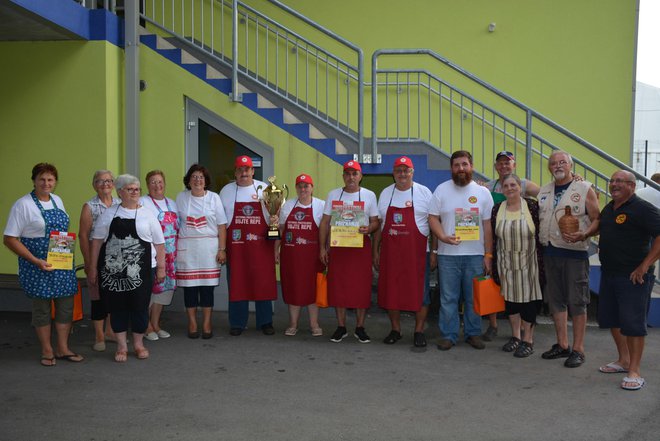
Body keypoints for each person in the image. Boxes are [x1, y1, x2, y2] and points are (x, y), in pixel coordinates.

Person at [570, 170, 660, 390]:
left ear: (632, 185)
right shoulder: (611, 207)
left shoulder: (643, 209)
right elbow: (599, 223)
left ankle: (634, 371)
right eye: (612, 181)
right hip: (609, 273)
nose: (614, 184)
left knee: (633, 325)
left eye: (620, 181)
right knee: (613, 321)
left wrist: (644, 265)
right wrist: (585, 235)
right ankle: (623, 360)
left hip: (634, 276)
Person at [3, 163, 83, 366]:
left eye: (50, 179)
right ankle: (47, 350)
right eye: (42, 179)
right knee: (42, 308)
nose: (46, 183)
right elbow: (10, 239)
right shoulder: (23, 205)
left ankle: (63, 348)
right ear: (34, 181)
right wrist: (35, 260)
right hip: (36, 264)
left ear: (55, 182)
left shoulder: (57, 200)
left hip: (61, 261)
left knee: (65, 306)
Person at [87, 174, 165, 362]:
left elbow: (160, 243)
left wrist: (161, 268)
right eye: (130, 189)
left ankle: (138, 344)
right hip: (113, 272)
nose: (134, 192)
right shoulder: (109, 213)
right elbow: (97, 242)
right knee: (117, 307)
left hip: (143, 270)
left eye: (136, 189)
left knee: (139, 307)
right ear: (120, 192)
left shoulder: (148, 214)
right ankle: (122, 346)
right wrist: (93, 267)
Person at [537, 150, 600, 368]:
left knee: (577, 302)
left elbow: (596, 219)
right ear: (549, 167)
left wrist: (585, 234)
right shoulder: (544, 190)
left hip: (575, 255)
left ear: (571, 165)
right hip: (550, 254)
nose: (557, 165)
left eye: (562, 162)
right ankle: (562, 344)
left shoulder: (584, 188)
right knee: (556, 301)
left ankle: (578, 349)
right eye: (553, 163)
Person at [429, 150, 494, 351]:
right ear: (451, 168)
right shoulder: (441, 190)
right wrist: (442, 237)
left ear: (471, 166)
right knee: (448, 297)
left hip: (474, 255)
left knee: (472, 296)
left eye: (464, 164)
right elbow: (433, 218)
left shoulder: (483, 193)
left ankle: (473, 333)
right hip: (448, 255)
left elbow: (488, 226)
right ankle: (449, 335)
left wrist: (488, 254)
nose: (461, 169)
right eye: (456, 165)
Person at [480, 150, 540, 342]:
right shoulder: (489, 187)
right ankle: (497, 327)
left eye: (508, 163)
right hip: (503, 253)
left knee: (527, 297)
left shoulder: (526, 187)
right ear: (496, 166)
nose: (504, 166)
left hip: (527, 258)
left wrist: (575, 180)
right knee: (506, 295)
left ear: (514, 165)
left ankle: (526, 334)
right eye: (501, 163)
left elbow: (547, 194)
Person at [373, 156, 433, 348]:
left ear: (412, 172)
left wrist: (435, 252)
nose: (402, 174)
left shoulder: (424, 193)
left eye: (406, 170)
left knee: (421, 294)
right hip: (391, 254)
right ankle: (395, 329)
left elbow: (434, 224)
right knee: (392, 292)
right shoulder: (385, 194)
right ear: (393, 173)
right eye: (398, 170)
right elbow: (381, 226)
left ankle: (419, 331)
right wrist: (375, 252)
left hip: (417, 254)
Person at [319, 160, 380, 343]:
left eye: (355, 174)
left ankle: (360, 327)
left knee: (361, 288)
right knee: (339, 287)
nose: (351, 177)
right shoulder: (333, 194)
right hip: (338, 248)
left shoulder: (369, 196)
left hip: (360, 248)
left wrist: (369, 228)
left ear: (361, 176)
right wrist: (322, 247)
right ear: (343, 176)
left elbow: (376, 222)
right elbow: (324, 222)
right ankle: (341, 327)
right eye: (347, 174)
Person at [219, 156, 276, 336]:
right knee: (237, 282)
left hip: (261, 246)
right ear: (235, 173)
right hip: (236, 246)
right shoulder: (226, 191)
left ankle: (265, 321)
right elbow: (220, 221)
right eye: (240, 169)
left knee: (263, 281)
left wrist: (274, 220)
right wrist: (221, 247)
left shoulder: (265, 190)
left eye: (247, 169)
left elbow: (274, 218)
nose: (244, 173)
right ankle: (237, 322)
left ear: (253, 171)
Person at [490, 174, 545, 358]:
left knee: (528, 303)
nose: (510, 188)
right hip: (506, 264)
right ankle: (515, 336)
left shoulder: (532, 206)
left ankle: (528, 339)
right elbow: (493, 237)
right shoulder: (497, 209)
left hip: (529, 264)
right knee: (511, 303)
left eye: (513, 185)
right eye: (506, 186)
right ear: (502, 189)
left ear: (520, 187)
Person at [176, 164, 227, 339]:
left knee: (207, 289)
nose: (198, 180)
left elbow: (222, 226)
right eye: (194, 177)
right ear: (188, 180)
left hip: (209, 248)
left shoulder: (214, 198)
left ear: (206, 181)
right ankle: (192, 322)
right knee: (189, 289)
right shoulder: (181, 197)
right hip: (187, 248)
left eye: (201, 177)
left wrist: (222, 249)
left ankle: (206, 322)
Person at [275, 173, 325, 336]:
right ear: (296, 188)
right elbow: (280, 230)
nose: (303, 189)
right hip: (291, 257)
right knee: (293, 288)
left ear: (312, 188)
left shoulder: (321, 205)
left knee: (312, 290)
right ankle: (293, 324)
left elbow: (327, 231)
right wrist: (275, 249)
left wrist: (327, 250)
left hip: (313, 257)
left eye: (306, 186)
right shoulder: (287, 206)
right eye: (300, 186)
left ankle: (314, 324)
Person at [79, 170, 120, 352]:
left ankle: (111, 331)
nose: (105, 184)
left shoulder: (120, 203)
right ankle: (99, 335)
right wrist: (89, 263)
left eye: (109, 181)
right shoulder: (90, 206)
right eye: (101, 181)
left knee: (114, 294)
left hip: (116, 255)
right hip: (97, 253)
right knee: (97, 296)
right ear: (94, 184)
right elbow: (83, 235)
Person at [140, 170, 179, 341]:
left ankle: (156, 324)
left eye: (160, 182)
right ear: (147, 185)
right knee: (149, 291)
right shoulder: (143, 202)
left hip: (171, 255)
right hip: (152, 254)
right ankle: (146, 325)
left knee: (163, 292)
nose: (157, 185)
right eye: (153, 182)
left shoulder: (172, 203)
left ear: (165, 183)